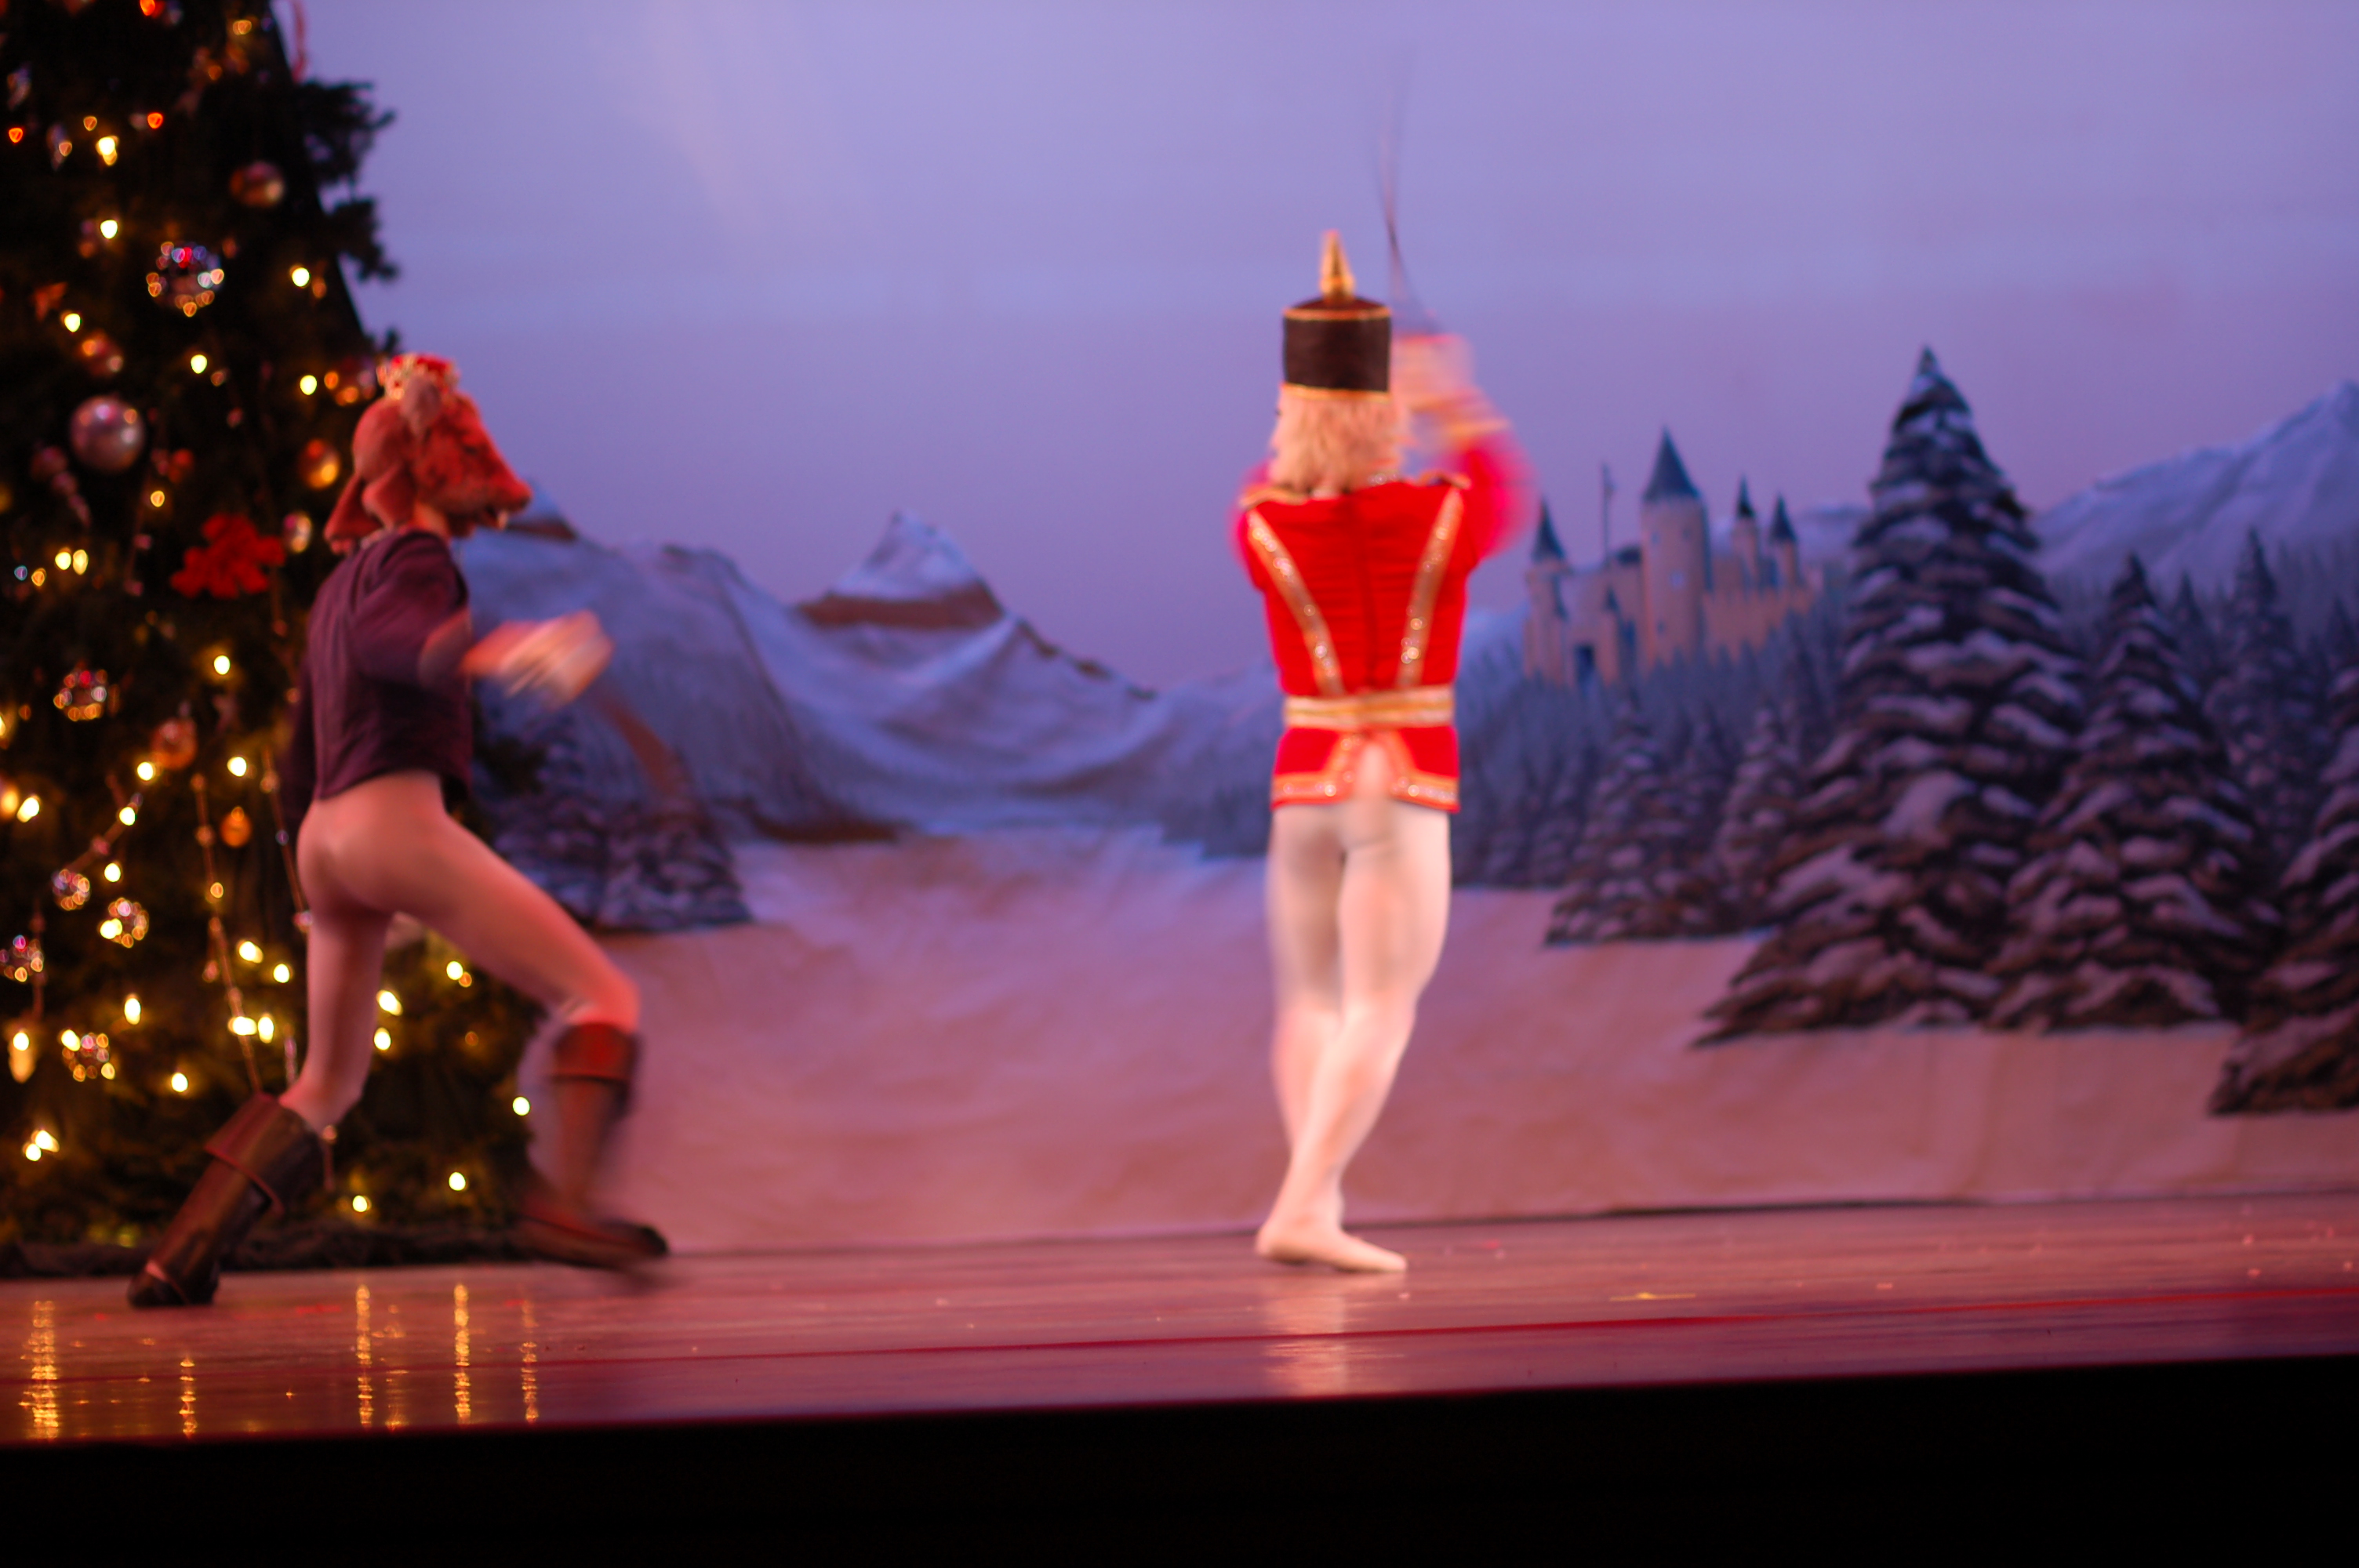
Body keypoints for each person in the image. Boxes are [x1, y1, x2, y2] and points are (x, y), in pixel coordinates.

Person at [131, 354, 662, 1308]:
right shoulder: (418, 559)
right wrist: (503, 650)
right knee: (604, 995)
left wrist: (319, 873)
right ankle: (570, 1206)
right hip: (388, 821)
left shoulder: (339, 586)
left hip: (326, 836)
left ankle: (181, 1253)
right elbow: (397, 650)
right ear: (434, 468)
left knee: (327, 1080)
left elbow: (300, 748)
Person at [1238, 234, 1530, 1272]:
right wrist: (1450, 394)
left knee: (1309, 1002)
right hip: (1397, 781)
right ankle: (1303, 1205)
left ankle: (1315, 1198)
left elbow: (1282, 469)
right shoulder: (1440, 511)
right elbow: (1501, 486)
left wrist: (1338, 392)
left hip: (1306, 780)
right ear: (1381, 413)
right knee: (1379, 1005)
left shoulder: (1260, 523)